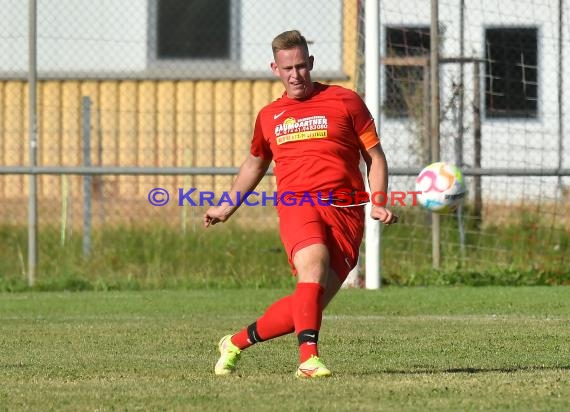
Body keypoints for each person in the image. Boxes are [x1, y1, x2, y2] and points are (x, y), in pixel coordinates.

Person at [203, 29, 398, 378]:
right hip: (298, 204)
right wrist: (225, 206)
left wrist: (378, 201)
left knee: (307, 305)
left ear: (310, 63)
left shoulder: (346, 101)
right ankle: (308, 360)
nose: (295, 75)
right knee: (314, 265)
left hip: (346, 212)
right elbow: (254, 163)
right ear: (275, 69)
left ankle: (234, 342)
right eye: (287, 68)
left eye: (301, 66)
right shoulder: (269, 116)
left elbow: (376, 157)